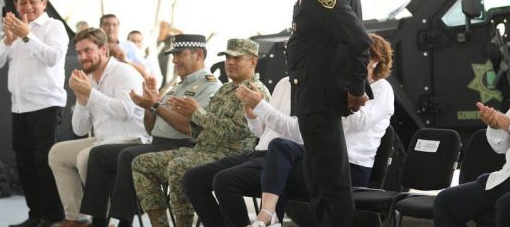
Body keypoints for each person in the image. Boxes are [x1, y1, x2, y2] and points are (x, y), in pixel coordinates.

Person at [183, 33, 394, 227]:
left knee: (230, 179)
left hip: (344, 164)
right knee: (193, 178)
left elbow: (305, 132)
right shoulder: (285, 83)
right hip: (289, 155)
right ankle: (268, 216)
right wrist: (252, 113)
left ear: (375, 61)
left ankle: (268, 216)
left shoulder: (379, 88)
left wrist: (346, 92)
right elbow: (263, 132)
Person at [264, 0, 372, 227]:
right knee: (319, 176)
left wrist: (356, 87)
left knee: (329, 181)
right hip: (316, 92)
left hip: (321, 94)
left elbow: (358, 39)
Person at [79, 34, 221, 227]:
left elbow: (190, 129)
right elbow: (150, 128)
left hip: (183, 147)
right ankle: (99, 222)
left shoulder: (210, 86)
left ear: (199, 54)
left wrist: (156, 106)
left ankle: (123, 222)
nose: (174, 60)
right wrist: (149, 107)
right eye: (173, 55)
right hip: (157, 143)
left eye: (180, 54)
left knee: (128, 156)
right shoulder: (177, 87)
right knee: (98, 154)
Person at [132, 38, 270, 227]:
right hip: (203, 151)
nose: (230, 62)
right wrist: (189, 115)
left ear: (253, 61)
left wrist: (197, 113)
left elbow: (237, 132)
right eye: (227, 57)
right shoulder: (225, 89)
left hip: (232, 155)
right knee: (141, 163)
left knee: (178, 167)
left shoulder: (256, 91)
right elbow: (201, 128)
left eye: (237, 58)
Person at [434, 27, 510, 227]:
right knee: (446, 201)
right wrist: (495, 125)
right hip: (509, 176)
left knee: (507, 205)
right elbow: (501, 147)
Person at [48, 28, 148, 227]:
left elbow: (125, 111)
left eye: (88, 50)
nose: (82, 57)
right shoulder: (91, 79)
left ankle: (105, 220)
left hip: (131, 140)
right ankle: (78, 219)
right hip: (103, 140)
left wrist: (91, 94)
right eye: (79, 52)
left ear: (103, 49)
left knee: (86, 157)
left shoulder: (124, 72)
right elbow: (79, 129)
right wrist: (81, 100)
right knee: (57, 153)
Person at [0, 0, 67, 227]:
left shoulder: (54, 27)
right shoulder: (14, 29)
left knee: (45, 164)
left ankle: (52, 216)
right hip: (19, 107)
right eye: (22, 2)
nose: (28, 6)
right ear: (16, 4)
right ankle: (35, 215)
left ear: (44, 3)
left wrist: (27, 36)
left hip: (46, 105)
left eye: (33, 1)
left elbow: (53, 57)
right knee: (24, 164)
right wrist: (8, 39)